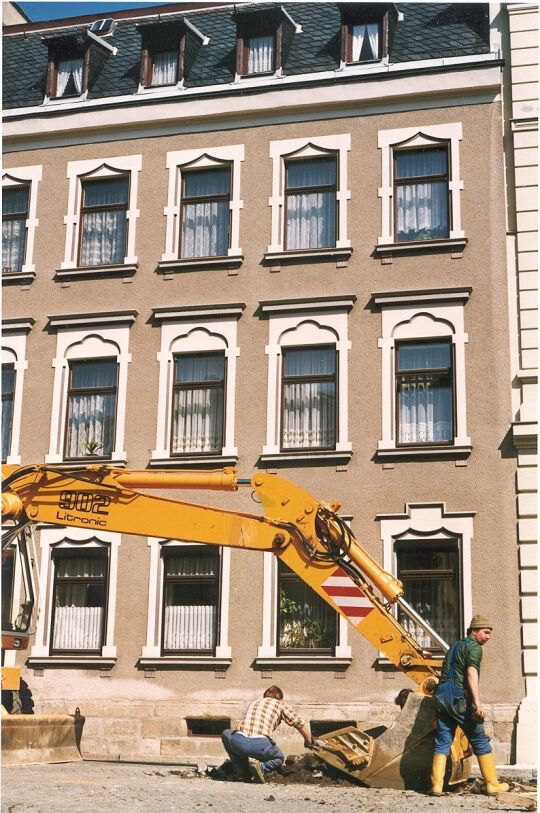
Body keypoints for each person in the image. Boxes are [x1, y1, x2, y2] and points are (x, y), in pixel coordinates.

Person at [430, 615, 510, 797]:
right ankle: (492, 784)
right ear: (474, 631)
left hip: (441, 695)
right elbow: (471, 673)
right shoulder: (474, 647)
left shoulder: (454, 647)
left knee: (443, 742)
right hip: (458, 697)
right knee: (479, 739)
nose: (488, 636)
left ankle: (436, 786)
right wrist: (477, 701)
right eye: (486, 632)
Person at [221, 685, 313, 783]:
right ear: (280, 698)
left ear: (265, 696)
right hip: (260, 744)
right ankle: (261, 767)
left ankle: (242, 772)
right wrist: (309, 741)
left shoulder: (254, 702)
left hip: (239, 741)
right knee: (279, 757)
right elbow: (299, 724)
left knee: (226, 733)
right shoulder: (280, 704)